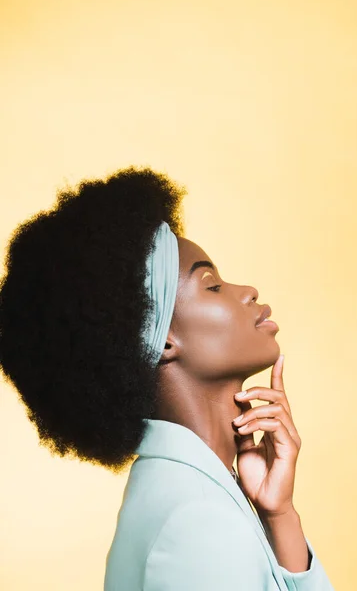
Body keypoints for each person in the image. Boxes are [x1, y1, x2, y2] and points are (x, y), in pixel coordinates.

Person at [0, 166, 335, 590]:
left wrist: (280, 515)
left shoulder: (192, 494)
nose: (247, 290)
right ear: (161, 341)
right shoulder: (197, 520)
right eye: (211, 285)